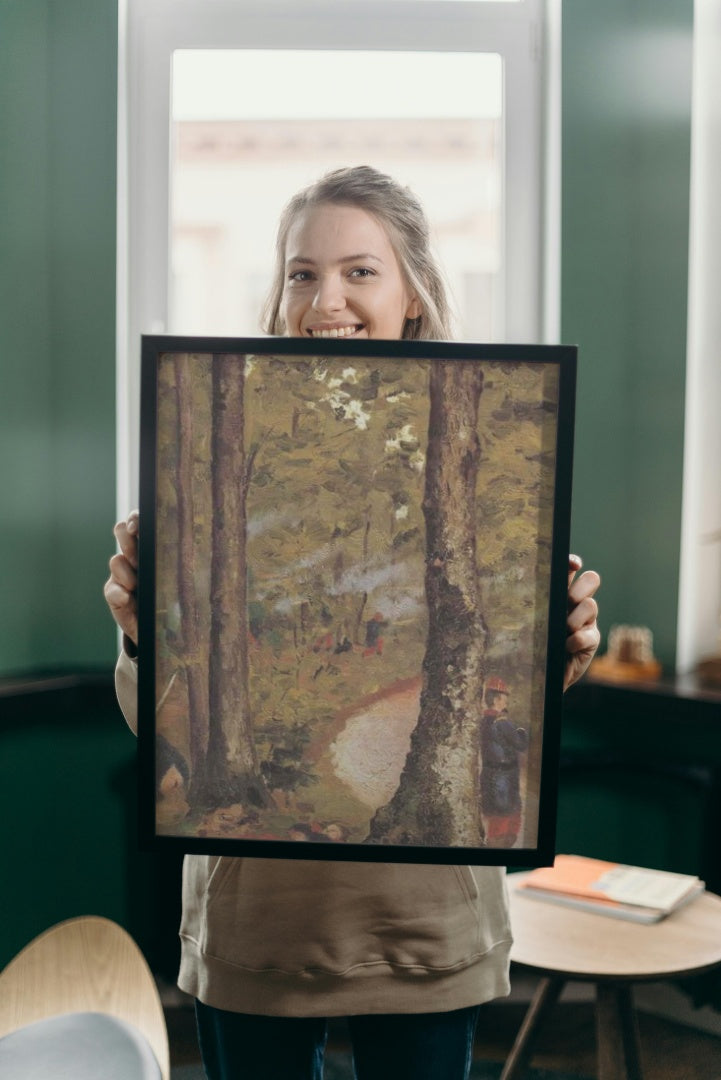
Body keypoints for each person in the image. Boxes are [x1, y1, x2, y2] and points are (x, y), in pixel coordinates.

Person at [105, 166, 601, 1080]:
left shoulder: (491, 442)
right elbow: (166, 735)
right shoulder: (212, 433)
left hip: (424, 926)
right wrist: (143, 636)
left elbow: (504, 718)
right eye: (301, 272)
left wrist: (556, 653)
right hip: (257, 927)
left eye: (359, 271)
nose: (324, 298)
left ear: (412, 292)